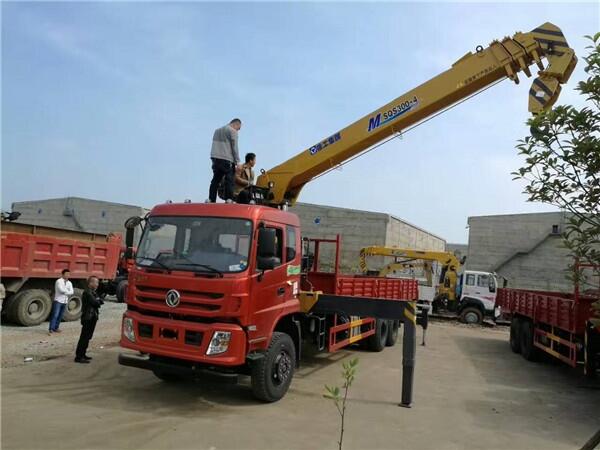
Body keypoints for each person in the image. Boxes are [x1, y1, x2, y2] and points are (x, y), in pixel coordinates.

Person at [208, 118, 242, 203]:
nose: (238, 131)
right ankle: (229, 199)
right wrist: (238, 161)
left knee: (216, 179)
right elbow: (235, 147)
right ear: (236, 124)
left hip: (215, 158)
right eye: (239, 128)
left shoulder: (217, 131)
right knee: (229, 179)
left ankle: (211, 199)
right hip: (227, 159)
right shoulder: (232, 131)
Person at [75, 276, 103, 364]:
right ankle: (79, 357)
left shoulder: (93, 292)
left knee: (88, 337)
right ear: (90, 283)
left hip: (92, 317)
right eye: (96, 283)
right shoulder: (87, 292)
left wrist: (98, 301)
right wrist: (98, 301)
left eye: (97, 283)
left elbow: (100, 301)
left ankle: (83, 354)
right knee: (84, 337)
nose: (97, 285)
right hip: (88, 317)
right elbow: (96, 303)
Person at [49, 269, 73, 335]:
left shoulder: (69, 283)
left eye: (68, 274)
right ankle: (51, 328)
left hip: (65, 301)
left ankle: (56, 328)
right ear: (62, 274)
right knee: (55, 315)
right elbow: (61, 290)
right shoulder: (59, 281)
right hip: (58, 301)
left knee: (60, 315)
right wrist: (67, 291)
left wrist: (66, 292)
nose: (68, 275)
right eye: (66, 274)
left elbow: (72, 292)